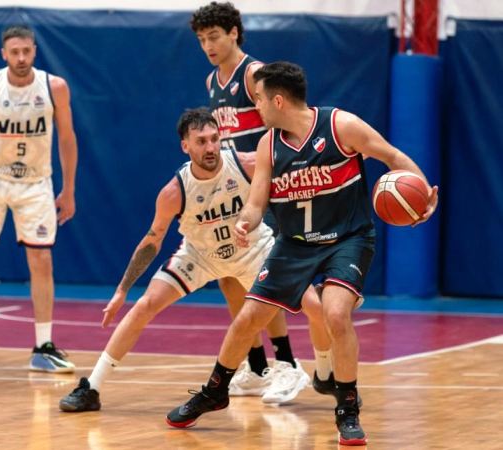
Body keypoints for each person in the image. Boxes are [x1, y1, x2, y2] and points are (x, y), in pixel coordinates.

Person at [166, 62, 438, 446]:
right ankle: (214, 391)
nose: (256, 107)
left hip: (346, 239)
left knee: (335, 313)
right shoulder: (268, 144)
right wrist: (246, 222)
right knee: (247, 318)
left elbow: (393, 157)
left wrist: (422, 194)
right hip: (294, 243)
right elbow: (257, 200)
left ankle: (347, 409)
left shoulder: (341, 126)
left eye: (260, 100)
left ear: (278, 100)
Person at [58, 108, 317, 412]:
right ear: (186, 146)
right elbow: (151, 241)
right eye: (201, 141)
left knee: (316, 305)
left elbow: (293, 169)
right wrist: (122, 290)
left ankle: (328, 376)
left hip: (252, 251)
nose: (210, 147)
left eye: (214, 139)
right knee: (145, 305)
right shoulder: (174, 192)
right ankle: (92, 387)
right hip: (200, 255)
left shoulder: (244, 164)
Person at [190, 1, 308, 401]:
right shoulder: (212, 81)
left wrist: (274, 168)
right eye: (202, 39)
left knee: (263, 277)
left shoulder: (253, 73)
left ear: (234, 33)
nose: (208, 45)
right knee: (228, 275)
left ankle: (287, 364)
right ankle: (257, 367)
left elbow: (285, 123)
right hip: (232, 189)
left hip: (263, 187)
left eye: (214, 36)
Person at [0, 25, 77, 373]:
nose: (21, 58)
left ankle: (43, 346)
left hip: (36, 182)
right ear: (3, 54)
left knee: (42, 260)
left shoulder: (55, 87)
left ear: (35, 51)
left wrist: (68, 189)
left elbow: (67, 139)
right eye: (14, 52)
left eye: (26, 51)